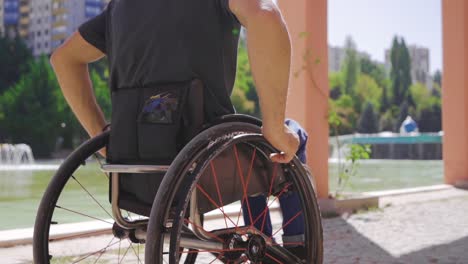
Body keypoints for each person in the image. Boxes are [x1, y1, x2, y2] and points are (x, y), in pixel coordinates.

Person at [50, 0, 306, 260]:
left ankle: (261, 236)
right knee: (287, 136)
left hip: (135, 163)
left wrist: (103, 137)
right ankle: (296, 249)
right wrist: (274, 126)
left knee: (248, 142)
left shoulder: (120, 7)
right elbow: (266, 14)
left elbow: (63, 59)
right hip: (204, 161)